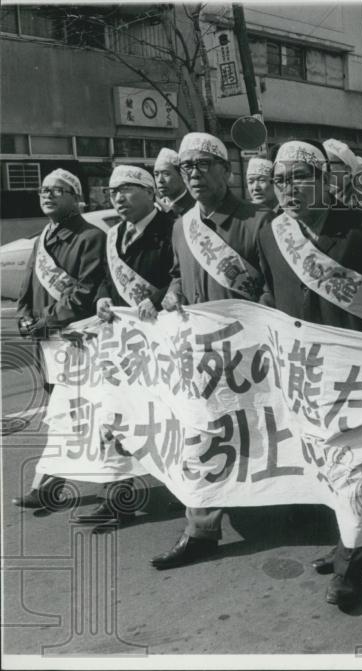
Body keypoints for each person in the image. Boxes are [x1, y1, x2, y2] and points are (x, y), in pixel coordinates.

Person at [255, 139, 362, 607]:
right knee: (328, 465)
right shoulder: (271, 231)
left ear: (326, 180)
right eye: (280, 180)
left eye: (299, 178)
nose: (288, 189)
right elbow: (271, 293)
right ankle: (348, 536)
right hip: (307, 374)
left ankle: (351, 565)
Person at [151, 132, 267, 570]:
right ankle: (200, 529)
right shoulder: (182, 226)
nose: (194, 174)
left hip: (251, 355)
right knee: (202, 438)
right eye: (186, 167)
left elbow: (274, 291)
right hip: (200, 357)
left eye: (202, 164)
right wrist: (172, 295)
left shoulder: (259, 222)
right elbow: (179, 276)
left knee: (266, 434)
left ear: (225, 169)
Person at [77, 165, 176, 525]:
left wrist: (162, 297)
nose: (117, 197)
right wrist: (102, 298)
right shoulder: (113, 234)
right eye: (113, 190)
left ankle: (183, 489)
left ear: (150, 192)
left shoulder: (173, 228)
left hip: (166, 342)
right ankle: (119, 496)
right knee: (117, 416)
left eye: (127, 189)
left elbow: (180, 277)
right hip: (125, 344)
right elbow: (106, 278)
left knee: (168, 419)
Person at [13, 169, 106, 509]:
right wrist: (24, 316)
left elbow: (84, 293)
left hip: (77, 341)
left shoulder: (90, 237)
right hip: (48, 343)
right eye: (44, 189)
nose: (47, 194)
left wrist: (45, 321)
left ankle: (118, 488)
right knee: (61, 414)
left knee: (95, 414)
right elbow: (28, 287)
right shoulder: (42, 237)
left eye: (57, 190)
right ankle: (49, 485)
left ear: (75, 197)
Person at [153, 148, 196, 221]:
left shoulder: (195, 206)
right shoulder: (154, 208)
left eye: (166, 174)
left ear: (182, 176)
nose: (160, 180)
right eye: (156, 174)